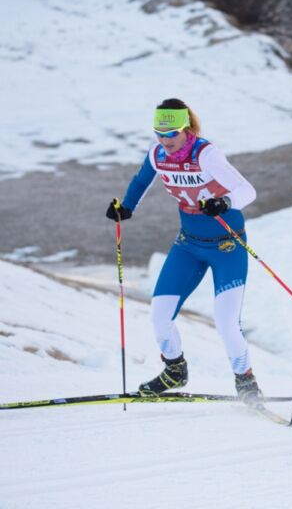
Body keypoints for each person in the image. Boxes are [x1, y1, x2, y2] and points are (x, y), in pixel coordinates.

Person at [105, 99, 262, 404]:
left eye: (171, 133)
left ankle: (247, 384)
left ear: (186, 128)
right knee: (160, 315)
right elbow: (140, 181)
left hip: (227, 246)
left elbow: (247, 191)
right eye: (159, 134)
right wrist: (126, 208)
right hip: (188, 245)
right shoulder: (158, 154)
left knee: (226, 323)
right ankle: (175, 370)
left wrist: (225, 202)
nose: (165, 141)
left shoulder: (206, 154)